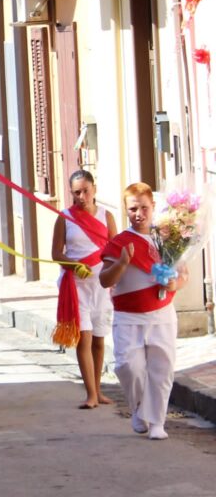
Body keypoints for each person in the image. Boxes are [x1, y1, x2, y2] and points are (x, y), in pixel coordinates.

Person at [100, 183, 188, 440]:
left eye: (144, 208)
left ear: (153, 207)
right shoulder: (120, 243)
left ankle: (157, 421)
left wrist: (175, 284)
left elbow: (183, 275)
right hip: (128, 316)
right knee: (129, 366)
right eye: (133, 209)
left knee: (162, 369)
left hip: (162, 314)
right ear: (125, 210)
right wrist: (122, 263)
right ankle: (139, 408)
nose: (139, 213)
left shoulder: (168, 239)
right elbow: (105, 280)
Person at [51, 170, 117, 409]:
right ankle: (90, 394)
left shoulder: (106, 216)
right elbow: (56, 253)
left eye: (85, 191)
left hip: (101, 285)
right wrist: (74, 265)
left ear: (94, 189)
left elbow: (114, 249)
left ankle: (98, 391)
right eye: (76, 192)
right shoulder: (65, 217)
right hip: (76, 286)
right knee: (84, 338)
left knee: (99, 339)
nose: (82, 197)